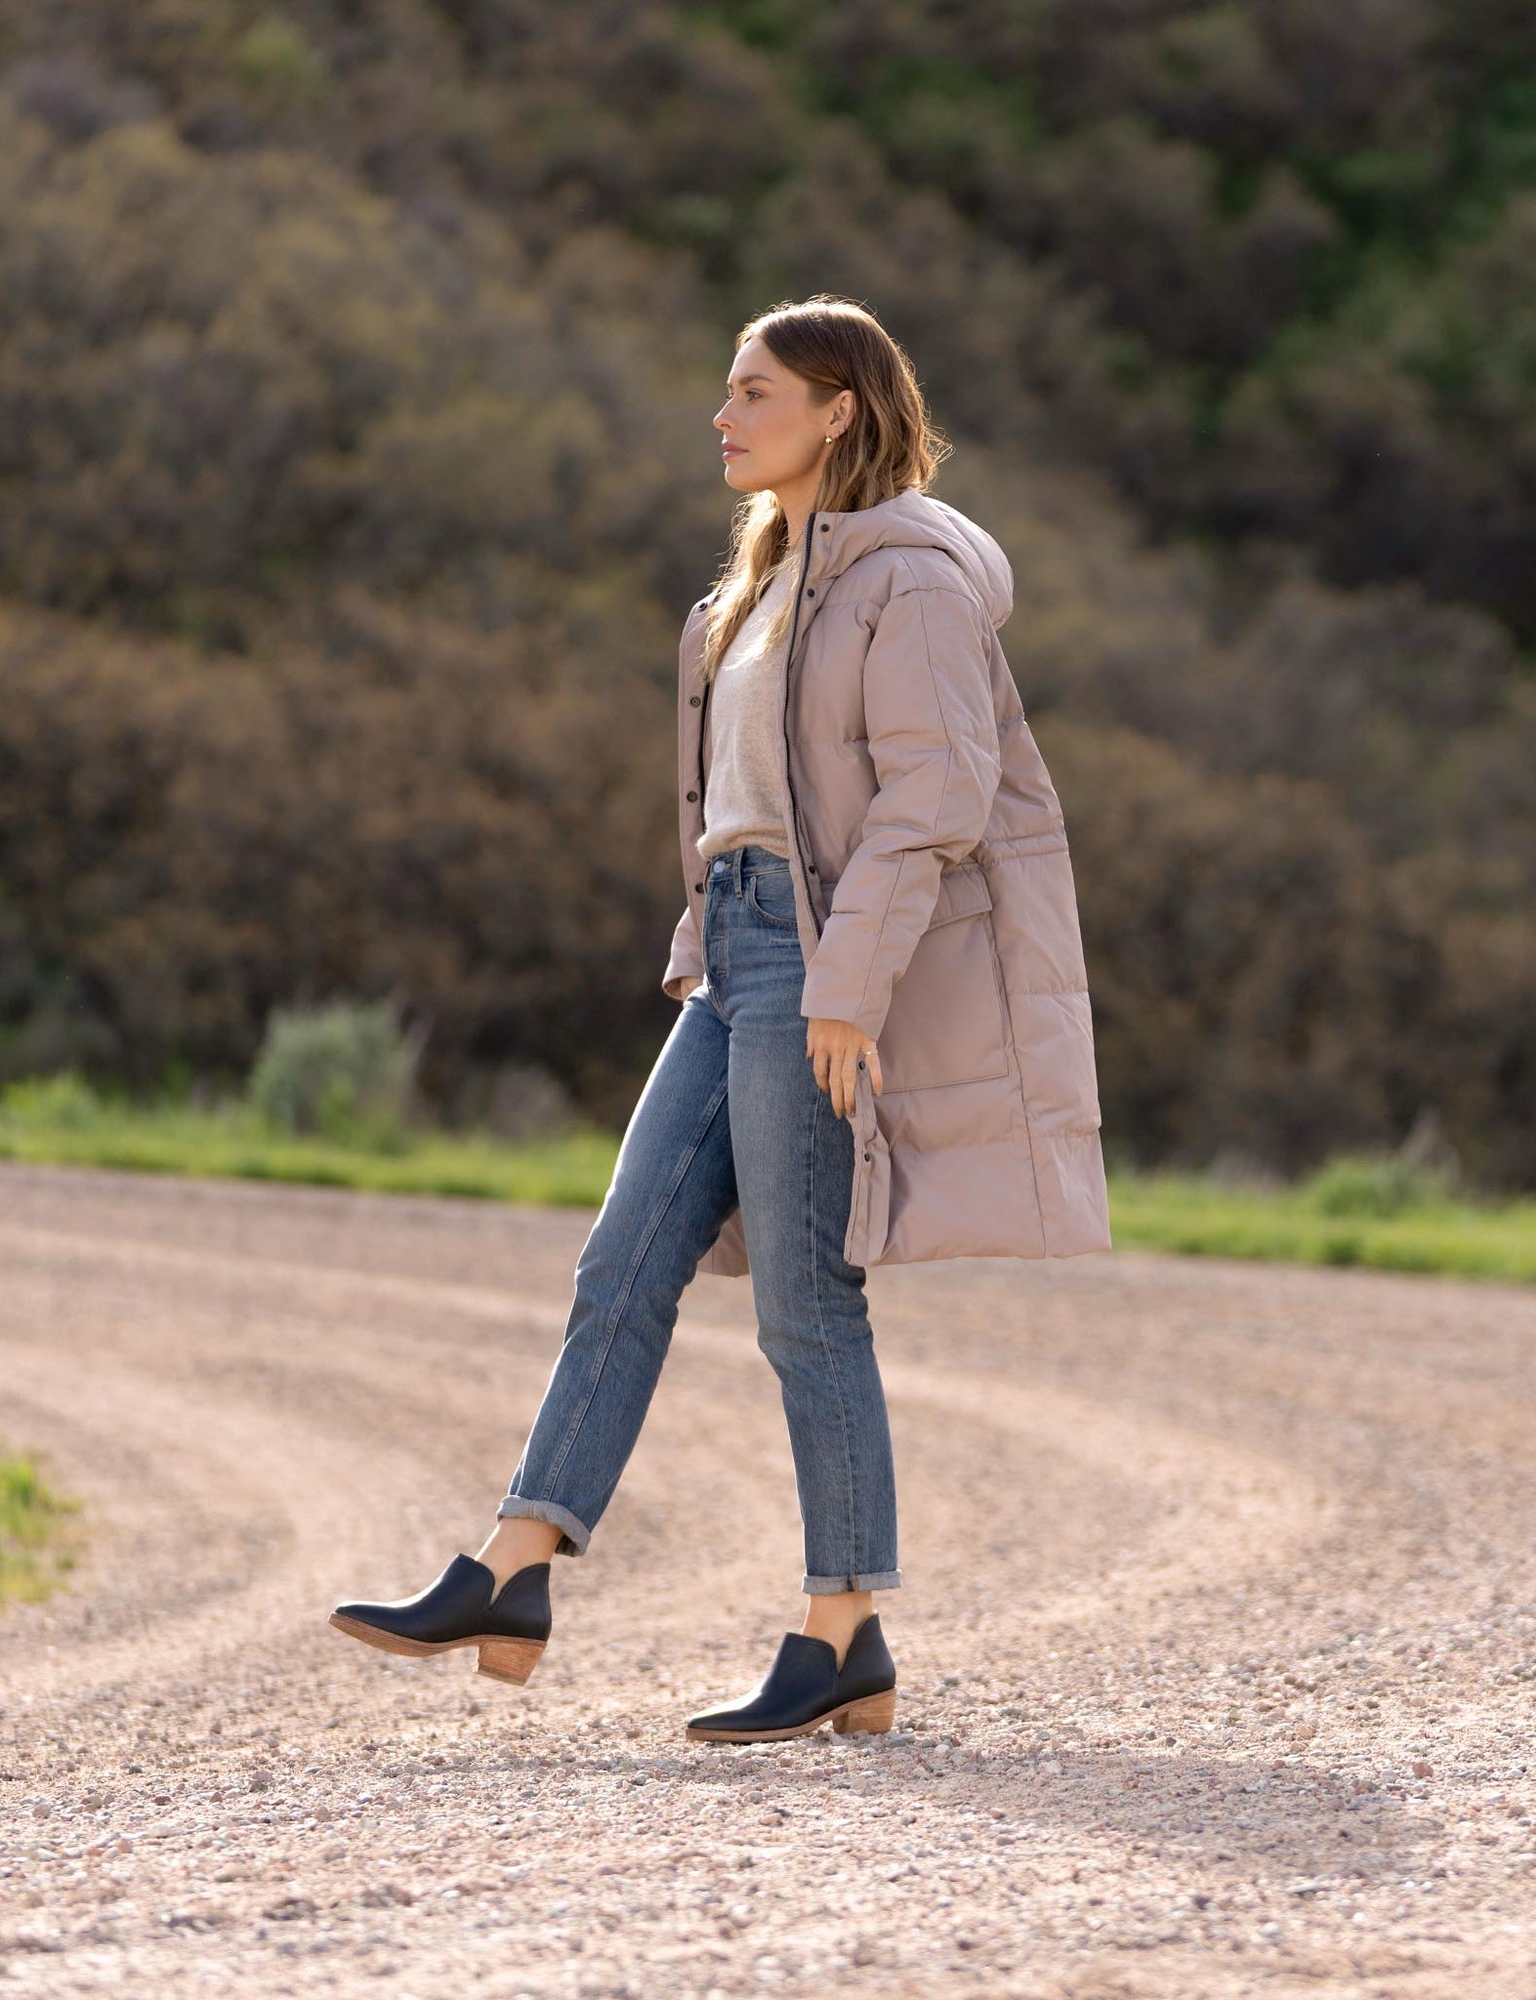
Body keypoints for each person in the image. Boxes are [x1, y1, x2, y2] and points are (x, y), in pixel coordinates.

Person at [328, 296, 1110, 1744]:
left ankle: (841, 1628)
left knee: (810, 1309)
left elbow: (933, 801)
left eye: (754, 392)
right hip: (737, 955)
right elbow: (735, 813)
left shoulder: (914, 582)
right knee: (619, 1263)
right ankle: (512, 1566)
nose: (723, 413)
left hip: (820, 969)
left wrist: (846, 991)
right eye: (726, 389)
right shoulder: (755, 584)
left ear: (840, 411)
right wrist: (709, 951)